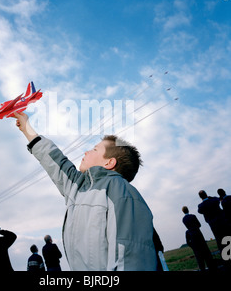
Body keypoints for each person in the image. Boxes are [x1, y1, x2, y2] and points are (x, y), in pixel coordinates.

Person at [13, 112, 157, 271]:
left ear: (109, 162)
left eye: (94, 149)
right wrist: (26, 127)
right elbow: (53, 160)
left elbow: (130, 257)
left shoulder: (123, 194)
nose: (86, 152)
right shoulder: (78, 187)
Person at [182, 206, 214, 271]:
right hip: (198, 234)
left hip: (192, 238)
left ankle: (202, 268)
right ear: (188, 210)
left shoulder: (184, 219)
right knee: (206, 253)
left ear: (183, 211)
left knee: (199, 256)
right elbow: (199, 225)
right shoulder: (193, 216)